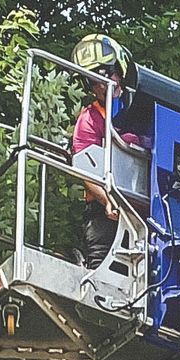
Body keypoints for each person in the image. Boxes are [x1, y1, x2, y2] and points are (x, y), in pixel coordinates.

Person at [68, 34, 151, 270]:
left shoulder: (145, 112)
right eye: (94, 81)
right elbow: (84, 166)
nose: (101, 85)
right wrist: (108, 200)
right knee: (101, 266)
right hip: (107, 213)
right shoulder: (90, 119)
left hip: (150, 213)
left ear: (119, 71)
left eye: (105, 76)